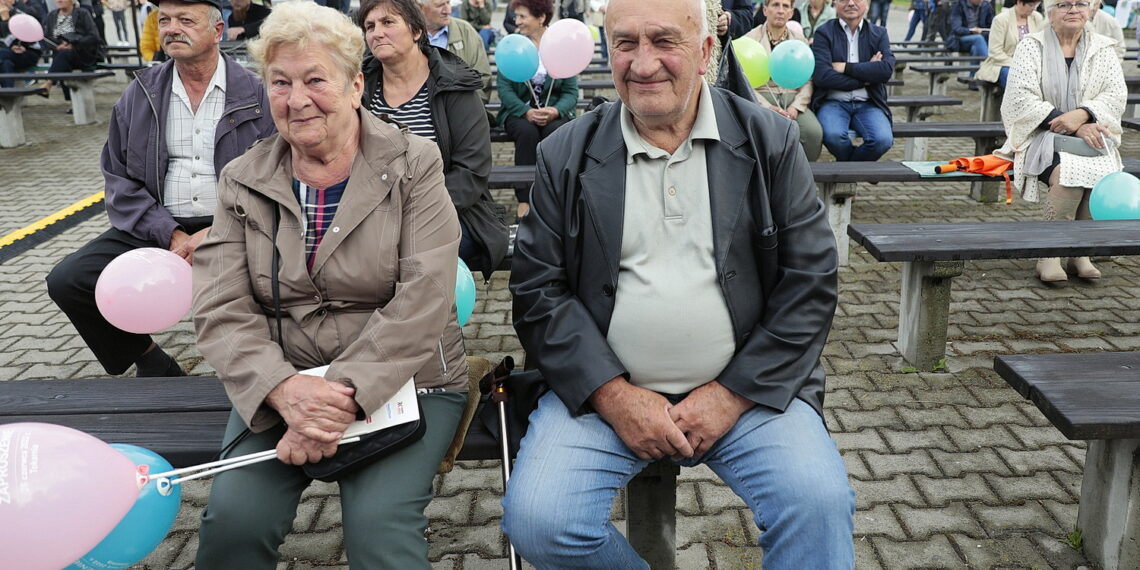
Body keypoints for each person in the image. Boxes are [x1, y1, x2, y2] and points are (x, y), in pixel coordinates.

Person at [501, 0, 855, 566]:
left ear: (706, 52)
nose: (643, 65)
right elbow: (538, 291)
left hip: (749, 392)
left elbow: (810, 281)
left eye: (664, 41)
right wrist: (614, 396)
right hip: (602, 399)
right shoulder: (564, 153)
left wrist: (731, 394)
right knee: (541, 522)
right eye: (625, 44)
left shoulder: (769, 141)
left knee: (818, 504)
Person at [192, 4, 469, 567]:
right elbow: (219, 306)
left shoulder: (414, 163)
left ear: (353, 86)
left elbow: (426, 297)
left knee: (378, 531)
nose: (297, 100)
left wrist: (335, 401)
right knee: (233, 525)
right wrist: (284, 392)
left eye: (315, 79)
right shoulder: (242, 180)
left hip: (410, 379)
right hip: (283, 384)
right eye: (280, 82)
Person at [45, 0, 273, 378]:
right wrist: (169, 233)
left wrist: (218, 231)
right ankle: (152, 360)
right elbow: (118, 178)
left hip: (238, 223)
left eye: (185, 20)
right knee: (70, 279)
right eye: (164, 20)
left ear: (217, 32)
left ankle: (259, 368)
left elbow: (277, 177)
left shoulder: (256, 93)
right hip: (159, 223)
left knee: (283, 278)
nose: (171, 28)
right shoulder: (140, 93)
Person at [359, 0, 507, 273]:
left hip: (451, 210)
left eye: (388, 22)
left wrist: (410, 213)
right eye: (370, 26)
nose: (376, 33)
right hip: (375, 213)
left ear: (416, 31)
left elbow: (472, 171)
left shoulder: (454, 84)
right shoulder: (359, 88)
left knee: (409, 258)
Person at [1000, 0, 1125, 282]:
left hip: (1091, 130)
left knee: (1102, 176)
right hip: (1041, 133)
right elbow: (1020, 98)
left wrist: (1082, 116)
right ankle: (1050, 253)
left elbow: (1115, 94)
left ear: (1090, 9)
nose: (1073, 10)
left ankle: (1080, 252)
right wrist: (1067, 122)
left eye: (1080, 3)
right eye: (1063, 4)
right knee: (1068, 176)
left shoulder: (1103, 47)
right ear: (1050, 12)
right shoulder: (1032, 46)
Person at [497, 0, 578, 218]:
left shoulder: (560, 47)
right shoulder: (513, 46)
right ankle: (524, 199)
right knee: (527, 132)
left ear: (541, 18)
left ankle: (555, 195)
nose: (517, 21)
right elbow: (504, 89)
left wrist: (555, 110)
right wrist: (525, 111)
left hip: (554, 113)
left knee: (557, 132)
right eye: (517, 16)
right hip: (520, 113)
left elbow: (571, 92)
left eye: (523, 16)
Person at [811, 0, 894, 162]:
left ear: (867, 3)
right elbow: (822, 76)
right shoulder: (823, 33)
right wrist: (865, 78)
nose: (850, 3)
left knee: (882, 140)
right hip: (833, 102)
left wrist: (846, 68)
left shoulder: (879, 33)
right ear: (835, 3)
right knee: (833, 136)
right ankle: (861, 169)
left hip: (869, 103)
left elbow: (885, 71)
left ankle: (850, 168)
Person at [746, 0, 822, 160]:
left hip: (793, 96)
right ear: (765, 10)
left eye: (785, 6)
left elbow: (808, 79)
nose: (780, 10)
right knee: (765, 132)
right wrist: (766, 106)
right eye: (775, 5)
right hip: (762, 95)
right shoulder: (750, 40)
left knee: (813, 133)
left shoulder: (799, 41)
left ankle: (804, 177)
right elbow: (744, 80)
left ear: (791, 13)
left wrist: (796, 106)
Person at [417, 0, 491, 102]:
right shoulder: (406, 33)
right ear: (420, 7)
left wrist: (461, 108)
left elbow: (483, 80)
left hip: (462, 111)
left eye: (448, 3)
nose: (448, 10)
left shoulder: (466, 31)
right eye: (440, 5)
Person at [36, 0, 102, 94]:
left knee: (63, 56)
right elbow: (46, 37)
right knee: (63, 58)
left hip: (82, 55)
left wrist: (75, 43)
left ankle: (49, 82)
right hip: (61, 54)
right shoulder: (52, 15)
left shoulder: (82, 13)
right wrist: (57, 46)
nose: (59, 0)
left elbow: (94, 36)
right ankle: (72, 102)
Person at [976, 0, 1044, 86]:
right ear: (1019, 2)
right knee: (1014, 75)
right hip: (1004, 63)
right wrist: (1019, 64)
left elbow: (1042, 45)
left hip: (1032, 64)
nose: (1034, 8)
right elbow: (995, 52)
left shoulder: (1037, 17)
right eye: (1031, 5)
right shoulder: (1001, 20)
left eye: (1036, 5)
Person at [0, 0, 44, 87]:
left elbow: (30, 29)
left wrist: (6, 19)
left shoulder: (24, 8)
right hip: (6, 53)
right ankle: (9, 96)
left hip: (28, 52)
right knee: (6, 64)